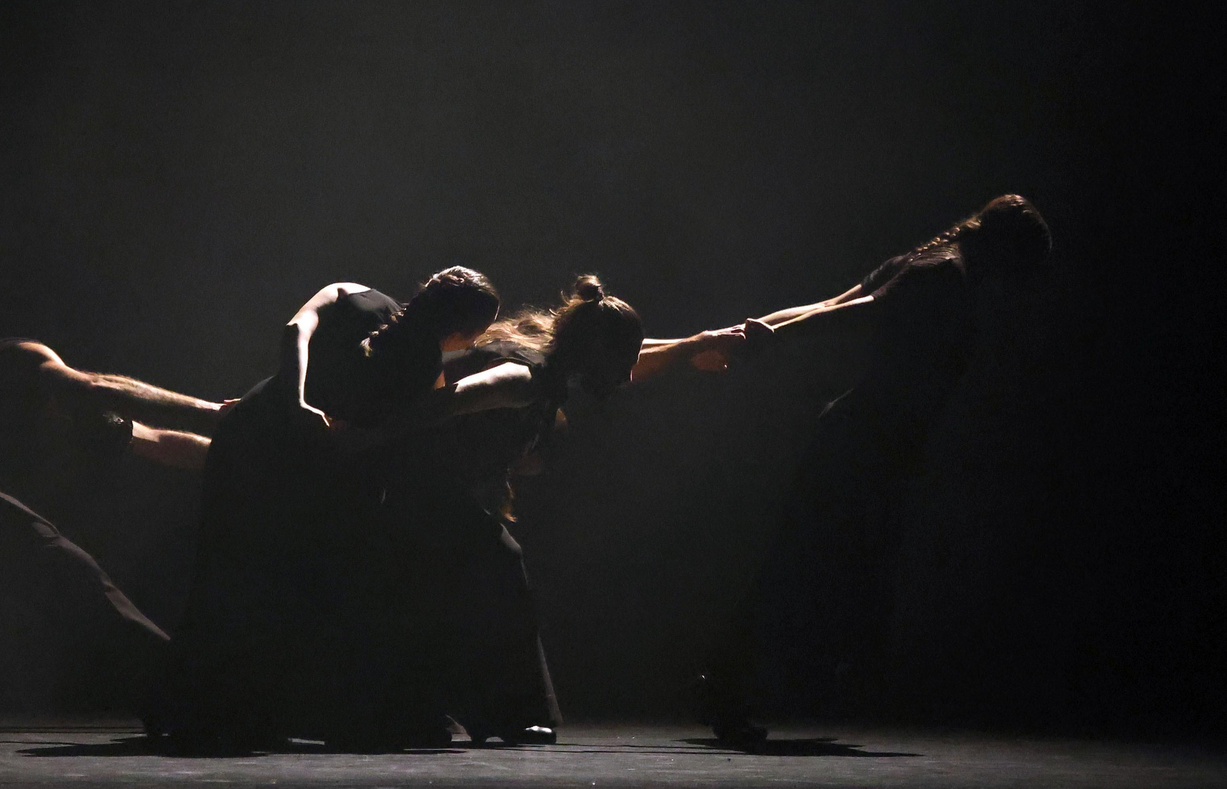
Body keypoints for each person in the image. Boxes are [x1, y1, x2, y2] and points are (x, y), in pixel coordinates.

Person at [699, 195, 1054, 746]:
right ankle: (739, 682)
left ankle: (759, 678)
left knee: (817, 559)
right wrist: (772, 335)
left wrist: (760, 329)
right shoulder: (945, 273)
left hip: (869, 434)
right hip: (871, 439)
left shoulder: (926, 259)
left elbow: (828, 304)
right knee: (810, 561)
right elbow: (854, 312)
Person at [169, 268, 501, 751]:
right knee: (282, 581)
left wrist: (291, 395)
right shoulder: (423, 361)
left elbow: (295, 331)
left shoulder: (356, 295)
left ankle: (212, 708)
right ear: (465, 333)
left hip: (257, 436)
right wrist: (300, 404)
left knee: (232, 571)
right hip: (298, 462)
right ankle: (250, 710)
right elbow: (389, 434)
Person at [359, 275, 659, 746]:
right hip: (411, 488)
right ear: (596, 352)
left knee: (481, 572)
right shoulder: (525, 377)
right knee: (498, 564)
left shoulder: (547, 365)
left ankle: (454, 708)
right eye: (623, 361)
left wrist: (697, 346)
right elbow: (438, 408)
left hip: (435, 491)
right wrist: (357, 443)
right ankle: (506, 712)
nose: (626, 376)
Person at [0, 338, 225, 731]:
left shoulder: (87, 418)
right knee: (48, 568)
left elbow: (164, 443)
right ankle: (189, 690)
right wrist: (215, 412)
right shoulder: (29, 359)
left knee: (61, 566)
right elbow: (98, 388)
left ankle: (183, 689)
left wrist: (240, 453)